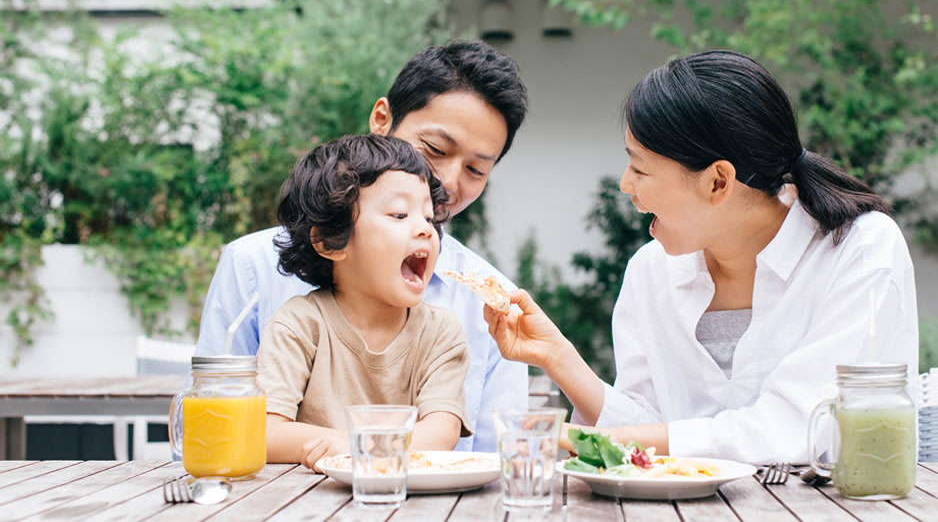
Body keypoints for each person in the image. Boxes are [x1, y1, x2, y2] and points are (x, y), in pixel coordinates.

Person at [483, 50, 918, 464]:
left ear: (717, 182)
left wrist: (595, 440)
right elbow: (647, 430)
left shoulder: (860, 252)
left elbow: (804, 429)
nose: (624, 184)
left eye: (640, 168)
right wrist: (556, 356)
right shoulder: (650, 271)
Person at [194, 41, 529, 452]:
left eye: (476, 169)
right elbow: (216, 439)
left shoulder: (490, 303)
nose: (449, 181)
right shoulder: (253, 270)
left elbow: (498, 458)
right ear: (382, 119)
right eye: (436, 150)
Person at [259, 134, 471, 469]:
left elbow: (441, 434)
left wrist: (353, 444)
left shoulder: (440, 330)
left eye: (429, 218)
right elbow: (264, 434)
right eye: (400, 215)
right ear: (330, 241)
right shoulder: (299, 323)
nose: (426, 231)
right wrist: (363, 445)